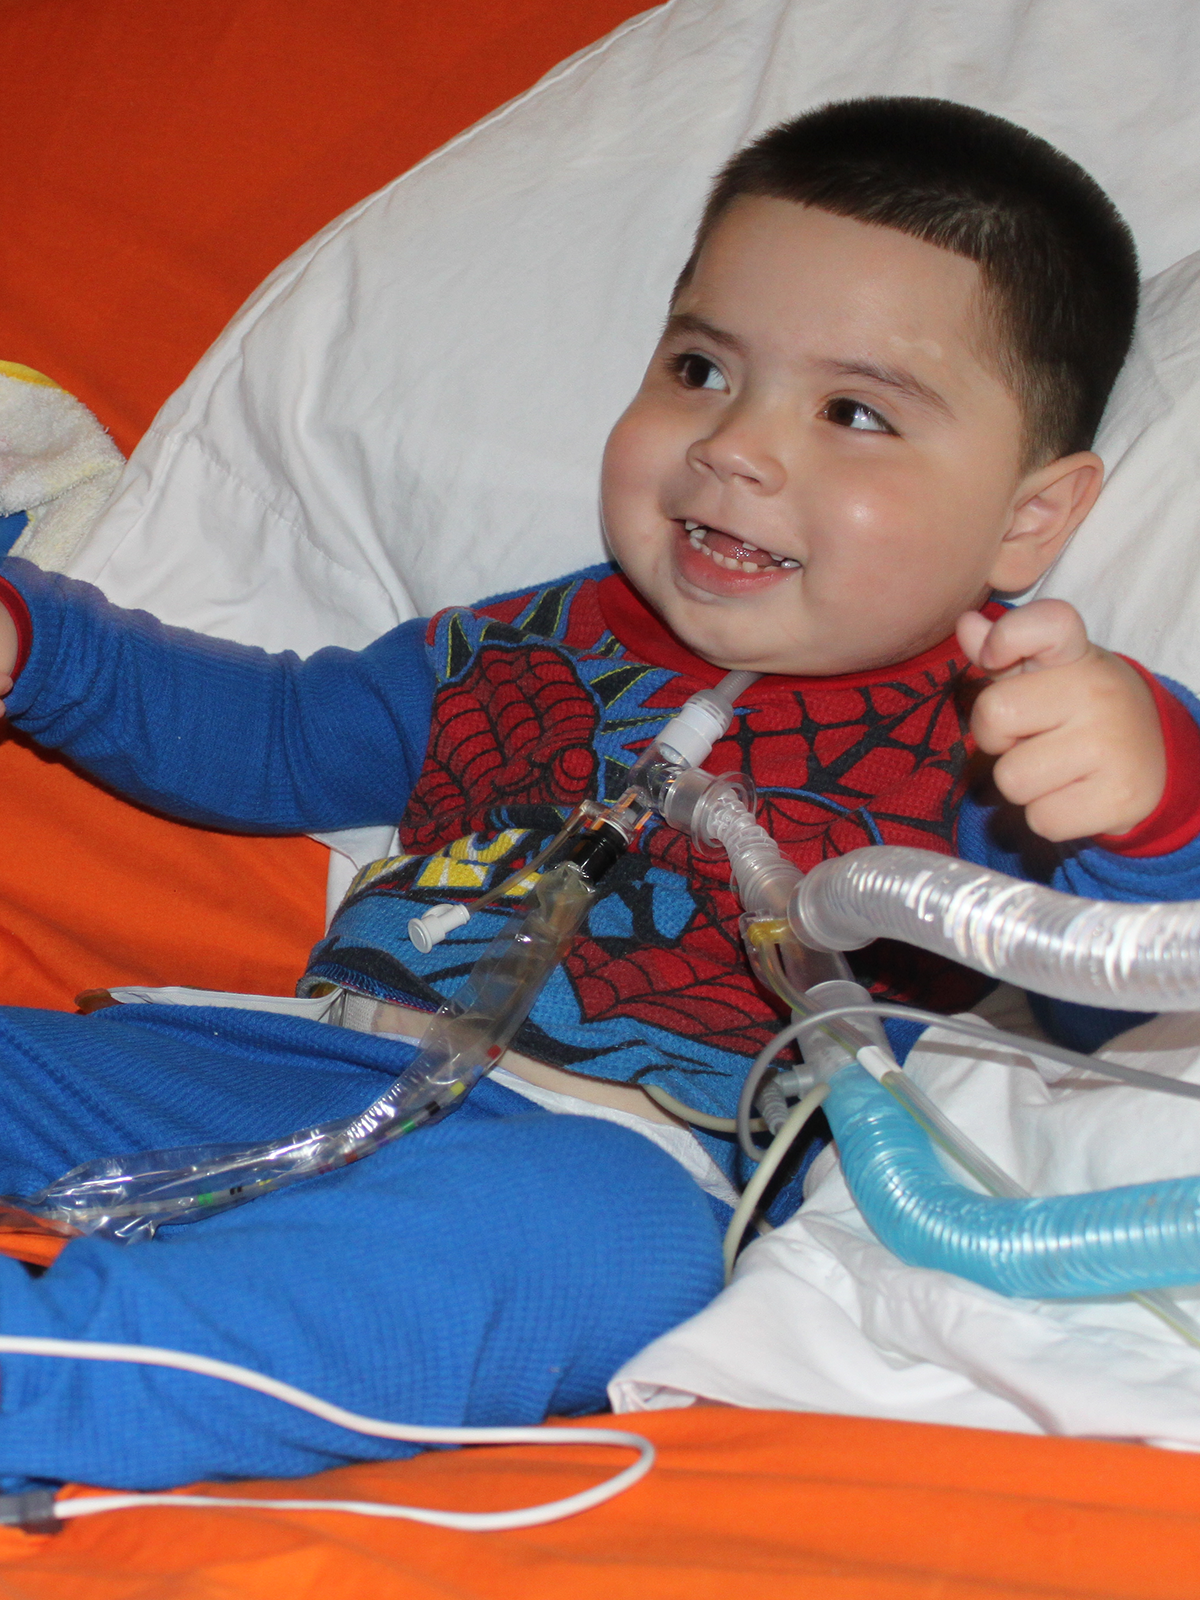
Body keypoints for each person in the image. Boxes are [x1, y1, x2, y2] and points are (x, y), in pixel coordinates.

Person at [0, 95, 1194, 1493]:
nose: (737, 446)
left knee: (534, 1246)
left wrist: (1151, 804)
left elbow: (1117, 985)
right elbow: (266, 736)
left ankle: (53, 1377)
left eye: (853, 411)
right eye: (700, 367)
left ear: (1030, 518)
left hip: (632, 1166)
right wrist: (41, 645)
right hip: (297, 1067)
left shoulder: (1018, 731)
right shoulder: (526, 642)